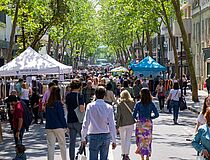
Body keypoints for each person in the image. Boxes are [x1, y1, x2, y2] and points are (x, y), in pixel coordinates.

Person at [81, 86, 117, 160]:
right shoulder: (109, 107)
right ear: (104, 95)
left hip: (93, 134)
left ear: (95, 94)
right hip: (105, 134)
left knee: (93, 157)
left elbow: (86, 123)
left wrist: (83, 137)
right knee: (104, 157)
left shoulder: (90, 106)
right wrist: (114, 139)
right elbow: (112, 124)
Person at [133, 88, 159, 160]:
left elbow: (134, 115)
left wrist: (137, 118)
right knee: (147, 139)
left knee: (140, 139)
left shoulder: (138, 104)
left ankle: (142, 156)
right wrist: (150, 117)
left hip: (140, 123)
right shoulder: (151, 104)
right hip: (148, 123)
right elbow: (157, 114)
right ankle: (147, 155)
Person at [45, 86, 67, 160]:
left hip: (49, 126)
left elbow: (46, 116)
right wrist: (65, 126)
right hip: (58, 126)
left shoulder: (48, 104)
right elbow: (61, 116)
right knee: (62, 145)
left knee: (50, 146)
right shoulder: (58, 103)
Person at [65, 79, 85, 160]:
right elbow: (81, 109)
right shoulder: (80, 96)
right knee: (84, 139)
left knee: (72, 142)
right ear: (79, 87)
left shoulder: (68, 95)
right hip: (78, 120)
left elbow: (66, 107)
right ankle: (79, 152)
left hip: (70, 120)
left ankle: (72, 158)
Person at [116, 90, 135, 160]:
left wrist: (117, 125)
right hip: (130, 123)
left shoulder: (120, 104)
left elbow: (118, 116)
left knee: (122, 139)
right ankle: (126, 154)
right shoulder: (132, 103)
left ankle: (123, 153)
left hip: (122, 123)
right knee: (128, 139)